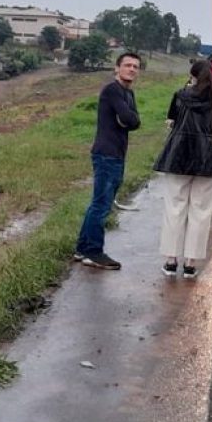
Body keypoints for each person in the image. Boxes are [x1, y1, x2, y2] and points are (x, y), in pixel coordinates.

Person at [154, 60, 212, 280]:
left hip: (179, 156)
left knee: (174, 208)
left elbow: (171, 123)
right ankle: (191, 264)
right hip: (210, 159)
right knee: (201, 212)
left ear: (191, 75)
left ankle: (170, 261)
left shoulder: (180, 95)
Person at [74, 52, 142, 270]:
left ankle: (83, 247)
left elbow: (134, 121)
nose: (132, 69)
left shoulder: (128, 93)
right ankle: (93, 251)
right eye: (127, 65)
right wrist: (128, 119)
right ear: (117, 68)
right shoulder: (112, 90)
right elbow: (130, 119)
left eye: (135, 66)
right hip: (106, 154)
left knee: (99, 203)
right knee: (101, 205)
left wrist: (128, 119)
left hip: (117, 154)